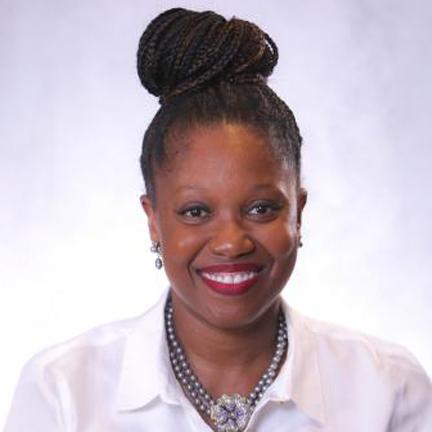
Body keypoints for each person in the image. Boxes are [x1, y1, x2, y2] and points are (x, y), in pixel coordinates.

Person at [4, 7, 432, 432]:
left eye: (261, 208)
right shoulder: (62, 392)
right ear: (153, 221)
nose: (231, 242)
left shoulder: (388, 388)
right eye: (196, 212)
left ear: (298, 213)